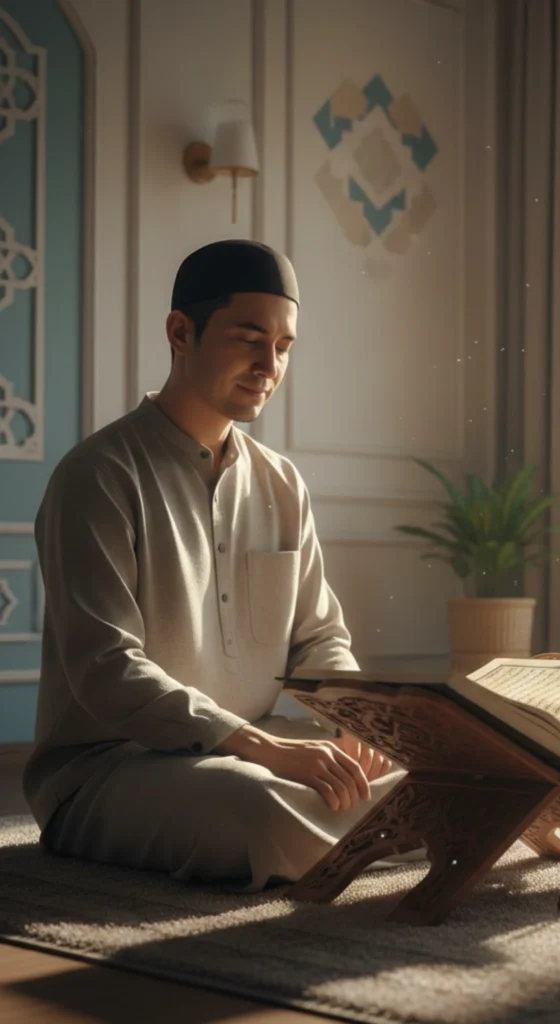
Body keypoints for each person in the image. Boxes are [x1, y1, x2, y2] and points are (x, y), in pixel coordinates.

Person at [23, 239, 410, 891]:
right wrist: (265, 751)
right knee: (255, 810)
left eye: (284, 347)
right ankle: (397, 834)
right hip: (111, 770)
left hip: (261, 749)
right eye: (250, 338)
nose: (269, 365)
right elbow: (107, 670)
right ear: (181, 332)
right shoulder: (98, 476)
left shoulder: (282, 482)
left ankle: (387, 825)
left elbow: (319, 638)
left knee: (436, 773)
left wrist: (356, 720)